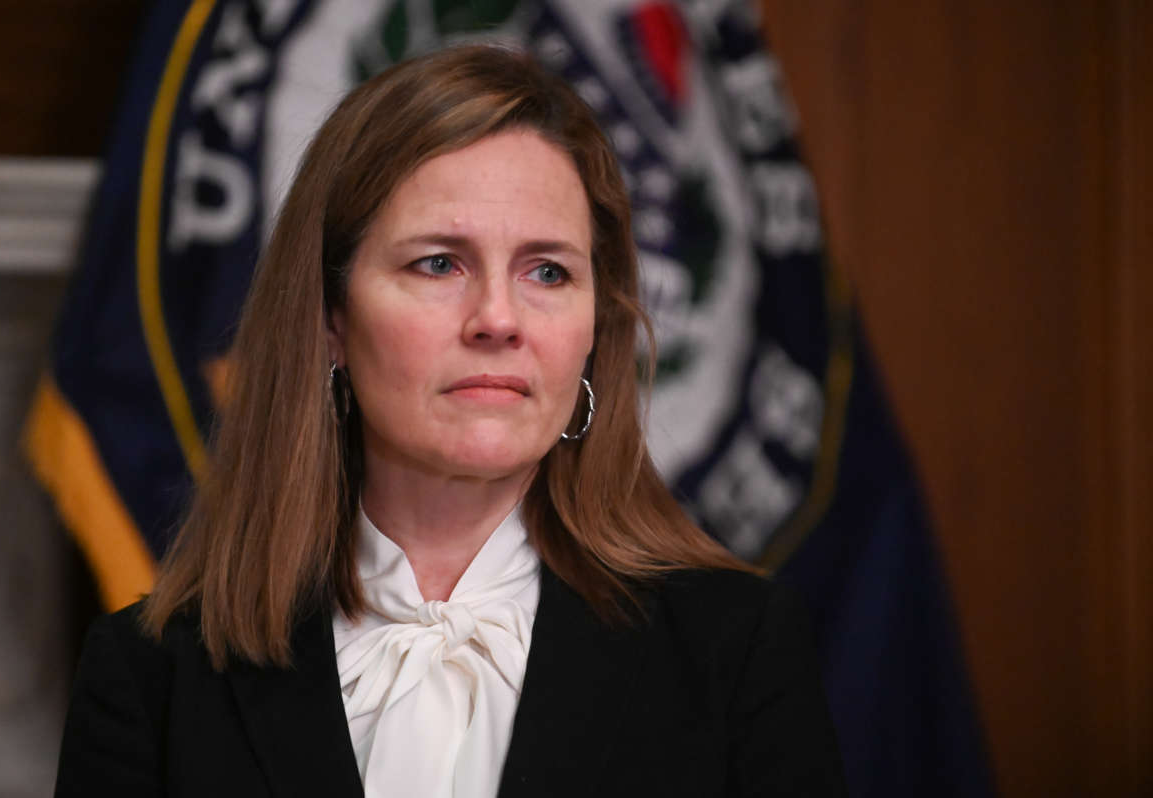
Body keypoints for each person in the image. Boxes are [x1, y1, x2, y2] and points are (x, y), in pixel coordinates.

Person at [54, 45, 846, 797]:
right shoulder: (152, 679)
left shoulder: (737, 650)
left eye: (548, 271)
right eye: (439, 263)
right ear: (331, 319)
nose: (499, 319)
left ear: (594, 326)